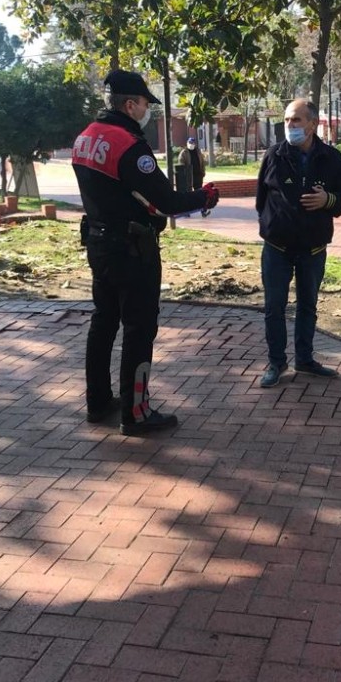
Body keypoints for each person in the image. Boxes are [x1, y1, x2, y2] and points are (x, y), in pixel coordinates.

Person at [72, 69, 219, 435]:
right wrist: (205, 196)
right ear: (129, 103)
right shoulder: (128, 146)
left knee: (103, 322)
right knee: (139, 328)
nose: (146, 110)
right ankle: (136, 413)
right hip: (132, 250)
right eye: (143, 103)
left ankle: (98, 401)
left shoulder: (84, 138)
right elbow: (166, 201)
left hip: (98, 243)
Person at [256, 98, 341, 388]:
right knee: (274, 307)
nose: (290, 125)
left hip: (313, 250)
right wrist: (272, 226)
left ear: (313, 124)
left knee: (307, 306)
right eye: (287, 120)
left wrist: (329, 200)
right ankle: (276, 363)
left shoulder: (331, 158)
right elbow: (261, 199)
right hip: (277, 250)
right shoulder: (274, 156)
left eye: (296, 120)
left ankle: (305, 359)